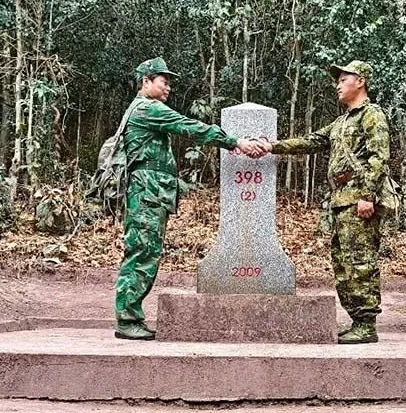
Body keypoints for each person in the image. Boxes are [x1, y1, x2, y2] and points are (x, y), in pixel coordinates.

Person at [114, 57, 263, 340]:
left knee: (146, 251)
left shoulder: (143, 108)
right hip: (147, 192)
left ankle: (129, 316)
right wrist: (235, 142)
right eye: (163, 81)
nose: (168, 87)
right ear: (146, 82)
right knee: (142, 252)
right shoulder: (148, 108)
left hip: (150, 192)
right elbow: (188, 126)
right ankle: (127, 319)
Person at [258, 60, 390, 344]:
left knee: (361, 262)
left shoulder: (372, 115)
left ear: (360, 81)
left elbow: (379, 157)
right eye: (338, 80)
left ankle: (366, 325)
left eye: (343, 79)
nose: (337, 85)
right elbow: (311, 141)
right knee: (343, 263)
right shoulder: (341, 122)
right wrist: (271, 146)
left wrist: (367, 196)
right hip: (341, 201)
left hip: (358, 201)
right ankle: (357, 320)